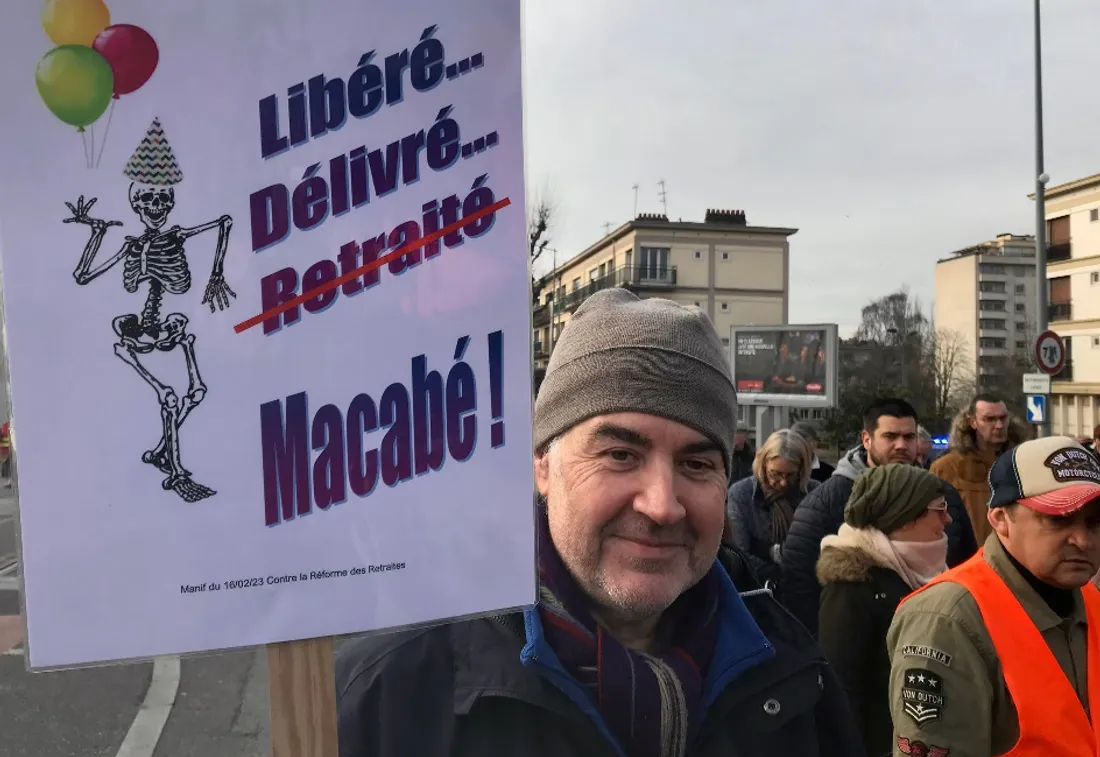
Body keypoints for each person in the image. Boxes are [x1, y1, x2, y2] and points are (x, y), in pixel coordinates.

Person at [334, 289, 864, 757]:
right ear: (543, 464)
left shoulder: (794, 669)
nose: (662, 506)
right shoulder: (392, 691)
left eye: (697, 464)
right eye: (619, 455)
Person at [887, 436, 1100, 756]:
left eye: (1095, 522)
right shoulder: (947, 620)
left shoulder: (1088, 598)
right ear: (1000, 519)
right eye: (1058, 518)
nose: (1083, 540)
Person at [779, 398, 977, 636]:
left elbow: (967, 567)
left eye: (909, 437)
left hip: (936, 640)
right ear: (866, 439)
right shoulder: (825, 503)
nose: (901, 445)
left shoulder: (944, 497)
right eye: (890, 436)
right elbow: (799, 586)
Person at [816, 464, 951, 757]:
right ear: (903, 518)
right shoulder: (852, 588)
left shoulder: (928, 575)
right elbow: (843, 691)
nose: (948, 519)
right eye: (938, 509)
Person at [726, 428, 819, 588]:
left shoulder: (815, 493)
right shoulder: (742, 493)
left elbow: (818, 550)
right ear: (763, 465)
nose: (783, 483)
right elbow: (739, 554)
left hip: (806, 590)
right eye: (775, 474)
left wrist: (765, 550)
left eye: (790, 475)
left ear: (802, 470)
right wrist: (780, 574)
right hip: (758, 589)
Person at [931, 394, 1026, 545]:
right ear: (972, 422)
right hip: (967, 561)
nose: (999, 425)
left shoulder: (1022, 462)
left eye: (1003, 418)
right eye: (990, 419)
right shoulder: (946, 468)